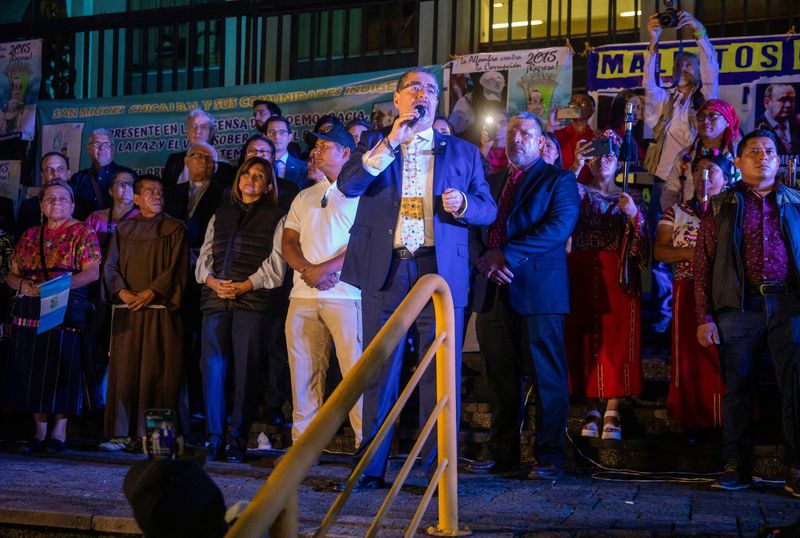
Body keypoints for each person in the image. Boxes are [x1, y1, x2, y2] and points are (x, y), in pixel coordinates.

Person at [337, 67, 497, 491]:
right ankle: (370, 467)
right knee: (379, 370)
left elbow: (489, 209)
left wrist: (463, 204)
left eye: (430, 89)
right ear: (397, 100)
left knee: (439, 373)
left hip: (439, 270)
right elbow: (348, 186)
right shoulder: (373, 143)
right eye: (414, 88)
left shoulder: (462, 152)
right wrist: (391, 141)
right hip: (386, 269)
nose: (423, 94)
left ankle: (436, 472)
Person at [465, 112, 578, 479]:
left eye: (526, 133)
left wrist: (507, 254)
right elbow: (474, 227)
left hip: (538, 295)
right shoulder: (492, 180)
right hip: (492, 292)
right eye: (511, 132)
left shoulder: (558, 180)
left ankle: (549, 455)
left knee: (547, 378)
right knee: (499, 379)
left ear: (541, 141)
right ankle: (503, 452)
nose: (517, 139)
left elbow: (558, 226)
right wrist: (484, 260)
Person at [694, 130, 800, 495]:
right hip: (739, 308)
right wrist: (704, 316)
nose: (762, 156)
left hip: (789, 305)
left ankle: (796, 467)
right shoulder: (722, 204)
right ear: (737, 163)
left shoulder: (796, 202)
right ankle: (735, 464)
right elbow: (703, 263)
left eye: (769, 151)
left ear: (780, 160)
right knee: (738, 389)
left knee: (796, 388)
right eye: (753, 151)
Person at [196, 157, 287, 462]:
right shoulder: (220, 214)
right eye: (247, 174)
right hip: (215, 299)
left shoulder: (278, 217)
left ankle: (237, 440)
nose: (251, 179)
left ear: (268, 185)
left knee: (247, 373)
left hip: (253, 302)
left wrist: (244, 286)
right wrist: (212, 282)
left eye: (259, 176)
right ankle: (214, 438)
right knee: (213, 371)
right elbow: (204, 257)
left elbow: (276, 265)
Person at [282, 123, 363, 447]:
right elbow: (288, 241)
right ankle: (303, 448)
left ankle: (366, 445)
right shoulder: (305, 196)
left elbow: (362, 243)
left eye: (323, 146)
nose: (314, 152)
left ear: (345, 152)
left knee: (356, 374)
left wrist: (325, 269)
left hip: (346, 296)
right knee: (303, 376)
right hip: (302, 295)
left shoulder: (362, 193)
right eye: (314, 147)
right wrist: (307, 270)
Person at [5, 180, 101, 453]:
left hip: (64, 302)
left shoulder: (83, 232)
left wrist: (54, 288)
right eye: (50, 198)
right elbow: (12, 273)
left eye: (62, 198)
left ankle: (59, 433)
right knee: (32, 366)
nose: (56, 202)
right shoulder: (30, 235)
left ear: (72, 204)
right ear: (41, 204)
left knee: (59, 366)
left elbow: (91, 272)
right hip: (30, 304)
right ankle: (38, 431)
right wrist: (24, 285)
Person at [565, 132, 649, 442]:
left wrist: (634, 215)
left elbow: (645, 243)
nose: (603, 161)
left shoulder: (630, 197)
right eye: (597, 154)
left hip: (619, 271)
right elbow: (558, 202)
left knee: (617, 339)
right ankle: (591, 406)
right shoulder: (577, 189)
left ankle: (613, 404)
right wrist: (575, 164)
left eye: (610, 155)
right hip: (582, 269)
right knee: (586, 337)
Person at [644, 10, 718, 335]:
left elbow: (712, 68)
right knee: (662, 250)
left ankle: (699, 309)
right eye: (679, 67)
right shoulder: (667, 101)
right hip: (664, 184)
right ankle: (664, 315)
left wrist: (700, 33)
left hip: (695, 185)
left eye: (688, 66)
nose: (683, 70)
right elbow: (648, 83)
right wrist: (654, 40)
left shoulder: (705, 103)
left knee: (694, 247)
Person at [103, 175, 189, 449]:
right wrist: (124, 293)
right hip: (128, 313)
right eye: (150, 191)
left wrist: (151, 292)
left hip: (159, 312)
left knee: (160, 376)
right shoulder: (124, 228)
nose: (157, 195)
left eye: (160, 192)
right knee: (125, 374)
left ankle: (156, 438)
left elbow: (176, 269)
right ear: (136, 198)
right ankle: (122, 435)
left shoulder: (175, 228)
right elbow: (110, 267)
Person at [655, 153, 732, 429]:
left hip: (724, 294)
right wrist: (697, 252)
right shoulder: (677, 211)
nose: (703, 176)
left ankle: (723, 420)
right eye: (697, 170)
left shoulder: (733, 210)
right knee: (688, 356)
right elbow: (661, 251)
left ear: (726, 177)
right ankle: (691, 418)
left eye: (711, 170)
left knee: (720, 356)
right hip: (686, 290)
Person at [85, 170, 141, 411]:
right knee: (96, 342)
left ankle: (116, 402)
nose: (125, 189)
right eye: (120, 184)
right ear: (110, 190)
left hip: (128, 287)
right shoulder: (96, 218)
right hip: (97, 289)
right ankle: (92, 401)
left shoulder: (142, 218)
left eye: (130, 185)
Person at [661, 99, 741, 210]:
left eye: (712, 116)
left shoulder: (738, 157)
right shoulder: (686, 155)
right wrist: (674, 217)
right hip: (689, 221)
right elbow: (670, 191)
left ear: (728, 121)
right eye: (701, 117)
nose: (705, 121)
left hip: (726, 221)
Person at [69, 129, 134, 220]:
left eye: (107, 144)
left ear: (113, 149)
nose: (102, 148)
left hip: (121, 231)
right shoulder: (78, 178)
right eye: (97, 144)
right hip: (85, 232)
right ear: (88, 148)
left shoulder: (128, 175)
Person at [162, 109, 235, 189]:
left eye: (203, 127)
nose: (197, 131)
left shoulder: (224, 166)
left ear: (211, 133)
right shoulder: (174, 161)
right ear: (187, 132)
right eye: (193, 126)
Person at [16, 152, 70, 240]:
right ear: (42, 174)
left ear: (68, 172)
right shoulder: (29, 206)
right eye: (49, 169)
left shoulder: (83, 205)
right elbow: (20, 241)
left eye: (60, 169)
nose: (55, 174)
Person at [551, 93, 596, 184]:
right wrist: (551, 125)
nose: (577, 107)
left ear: (592, 109)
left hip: (588, 190)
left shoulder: (595, 137)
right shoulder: (558, 135)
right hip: (562, 187)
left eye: (583, 103)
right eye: (573, 103)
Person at [266, 115, 308, 191]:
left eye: (282, 132)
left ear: (290, 137)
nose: (276, 136)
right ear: (265, 137)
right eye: (271, 132)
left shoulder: (303, 168)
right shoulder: (259, 166)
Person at [756, 84, 800, 155]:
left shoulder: (797, 126)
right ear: (767, 103)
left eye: (792, 100)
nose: (788, 105)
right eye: (783, 100)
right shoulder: (756, 126)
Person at [480, 110, 510, 176]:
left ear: (509, 125)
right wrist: (485, 147)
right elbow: (478, 172)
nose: (497, 127)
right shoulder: (485, 147)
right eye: (493, 124)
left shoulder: (513, 149)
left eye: (501, 123)